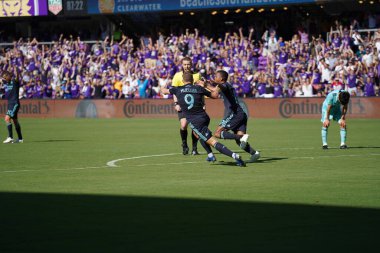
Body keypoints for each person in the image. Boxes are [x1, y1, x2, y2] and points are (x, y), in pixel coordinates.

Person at [161, 72, 246, 167]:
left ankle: (235, 156)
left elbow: (164, 91)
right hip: (204, 117)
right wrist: (209, 85)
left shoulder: (177, 89)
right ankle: (210, 155)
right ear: (193, 80)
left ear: (182, 81)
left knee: (212, 141)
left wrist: (163, 86)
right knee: (197, 134)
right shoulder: (198, 88)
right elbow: (214, 96)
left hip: (195, 121)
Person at [204, 70, 260, 162]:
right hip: (241, 114)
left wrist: (212, 83)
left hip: (234, 114)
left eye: (216, 76)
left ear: (221, 79)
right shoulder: (225, 86)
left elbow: (219, 88)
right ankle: (254, 154)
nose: (214, 77)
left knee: (217, 133)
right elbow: (214, 89)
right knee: (240, 143)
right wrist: (205, 84)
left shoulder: (225, 85)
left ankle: (242, 137)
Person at [171, 57, 200, 155]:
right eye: (185, 64)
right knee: (183, 125)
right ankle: (184, 144)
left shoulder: (196, 76)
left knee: (195, 127)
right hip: (182, 105)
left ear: (191, 64)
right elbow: (174, 92)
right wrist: (176, 103)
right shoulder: (177, 76)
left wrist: (203, 104)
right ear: (182, 65)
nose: (187, 66)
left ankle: (195, 148)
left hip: (195, 105)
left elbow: (199, 91)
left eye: (188, 64)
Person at [1, 70, 23, 143]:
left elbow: (17, 78)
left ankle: (10, 137)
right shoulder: (7, 82)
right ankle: (20, 139)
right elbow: (2, 79)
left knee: (7, 118)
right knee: (15, 121)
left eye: (5, 77)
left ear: (9, 76)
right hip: (10, 104)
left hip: (14, 104)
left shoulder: (14, 82)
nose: (4, 78)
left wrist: (17, 73)